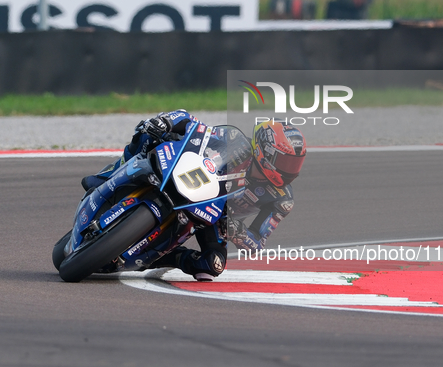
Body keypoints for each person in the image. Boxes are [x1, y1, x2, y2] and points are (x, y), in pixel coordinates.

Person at [81, 109, 307, 281]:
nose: (290, 170)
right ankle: (108, 176)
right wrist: (165, 122)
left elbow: (257, 243)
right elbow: (195, 126)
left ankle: (166, 257)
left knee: (213, 265)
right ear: (264, 150)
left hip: (218, 217)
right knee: (148, 134)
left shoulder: (281, 199)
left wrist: (238, 233)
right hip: (193, 176)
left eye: (295, 164)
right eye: (286, 162)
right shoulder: (235, 141)